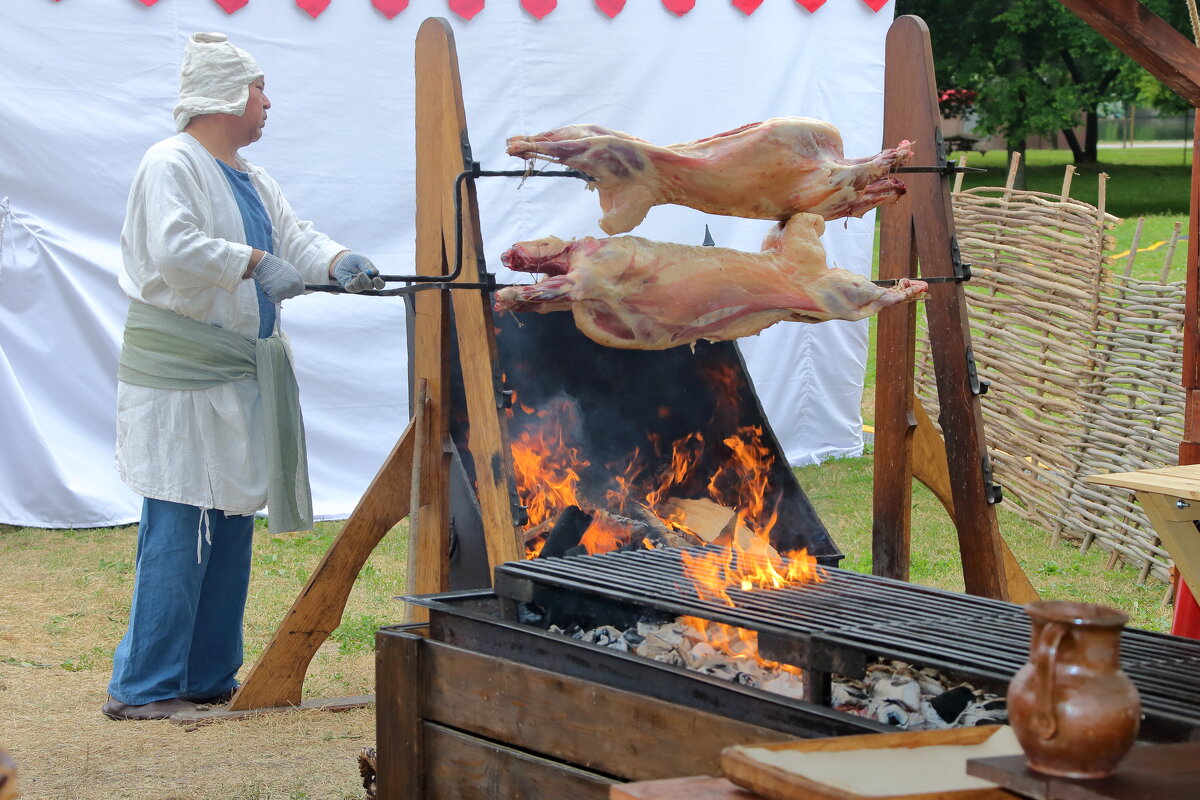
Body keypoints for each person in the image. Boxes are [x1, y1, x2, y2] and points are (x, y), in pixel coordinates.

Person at [103, 32, 382, 721]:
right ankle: (145, 685)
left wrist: (340, 259)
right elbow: (175, 249)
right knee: (181, 520)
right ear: (226, 96)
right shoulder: (170, 162)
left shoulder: (253, 180)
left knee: (228, 521)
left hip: (233, 379)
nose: (267, 102)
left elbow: (296, 238)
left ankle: (206, 676)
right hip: (182, 379)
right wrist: (255, 265)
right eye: (258, 88)